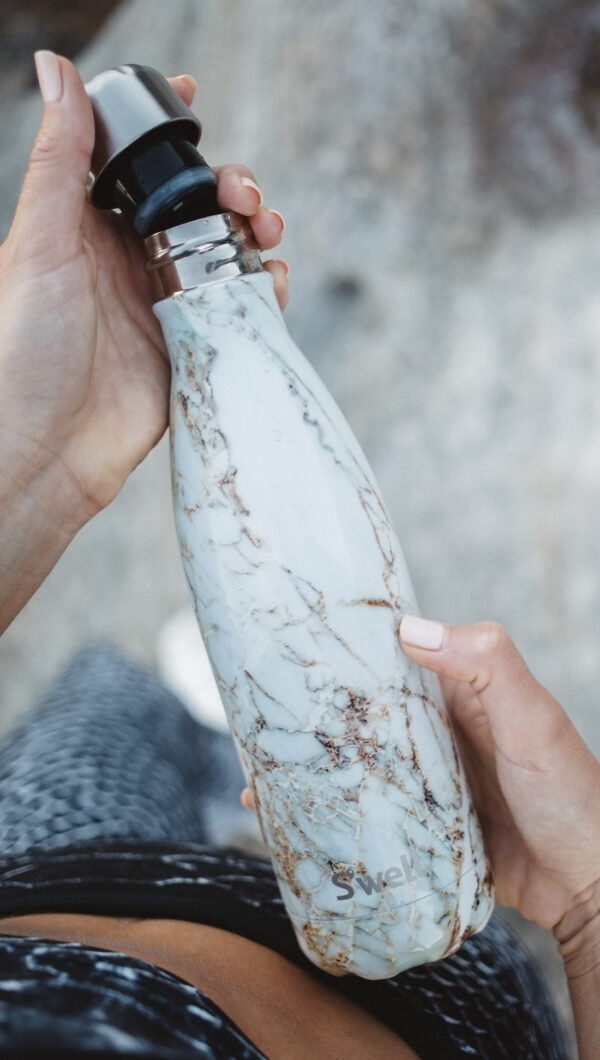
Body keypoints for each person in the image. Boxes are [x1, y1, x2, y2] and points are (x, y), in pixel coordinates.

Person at [0, 49, 595, 1058]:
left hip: (45, 883)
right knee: (195, 711)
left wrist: (32, 468)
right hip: (442, 1005)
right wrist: (586, 901)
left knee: (106, 693)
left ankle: (230, 721)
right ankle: (244, 730)